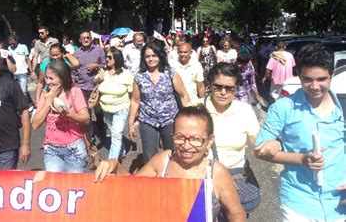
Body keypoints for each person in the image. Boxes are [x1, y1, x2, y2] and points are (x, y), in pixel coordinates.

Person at [95, 105, 246, 221]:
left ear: (209, 141)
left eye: (195, 139)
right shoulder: (163, 161)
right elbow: (132, 189)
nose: (186, 146)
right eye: (180, 137)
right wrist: (115, 166)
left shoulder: (217, 173)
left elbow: (236, 214)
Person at [255, 43, 346, 221]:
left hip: (338, 202)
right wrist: (302, 159)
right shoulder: (283, 107)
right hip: (298, 202)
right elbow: (260, 149)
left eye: (321, 79)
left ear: (332, 75)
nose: (314, 86)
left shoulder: (343, 106)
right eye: (307, 79)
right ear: (298, 75)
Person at [129, 41, 190, 163]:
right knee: (150, 155)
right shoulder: (139, 76)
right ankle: (153, 180)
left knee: (173, 152)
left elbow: (184, 95)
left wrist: (187, 118)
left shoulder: (170, 73)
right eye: (147, 56)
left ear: (160, 56)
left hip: (170, 119)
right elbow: (135, 101)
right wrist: (130, 124)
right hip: (148, 120)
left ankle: (172, 178)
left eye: (154, 55)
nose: (151, 59)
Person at [32, 60, 90, 173]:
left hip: (74, 148)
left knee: (74, 187)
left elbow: (86, 119)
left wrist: (68, 113)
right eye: (46, 78)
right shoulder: (45, 96)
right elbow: (35, 125)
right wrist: (48, 101)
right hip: (52, 150)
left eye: (51, 78)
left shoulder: (74, 92)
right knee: (55, 185)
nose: (48, 82)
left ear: (62, 78)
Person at [94, 47, 133, 159]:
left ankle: (112, 162)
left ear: (117, 58)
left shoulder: (126, 74)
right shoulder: (103, 73)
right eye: (106, 57)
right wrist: (97, 80)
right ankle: (122, 150)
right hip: (106, 109)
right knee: (114, 133)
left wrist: (133, 113)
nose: (107, 59)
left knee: (115, 135)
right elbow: (95, 84)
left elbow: (132, 94)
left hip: (121, 109)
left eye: (110, 57)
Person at [73, 30, 106, 140]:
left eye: (88, 37)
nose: (86, 40)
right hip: (81, 87)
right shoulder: (76, 53)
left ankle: (102, 130)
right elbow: (74, 71)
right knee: (86, 114)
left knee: (98, 111)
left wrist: (96, 65)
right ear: (80, 40)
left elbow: (106, 65)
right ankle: (90, 136)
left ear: (91, 39)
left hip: (96, 88)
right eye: (83, 38)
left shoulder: (99, 51)